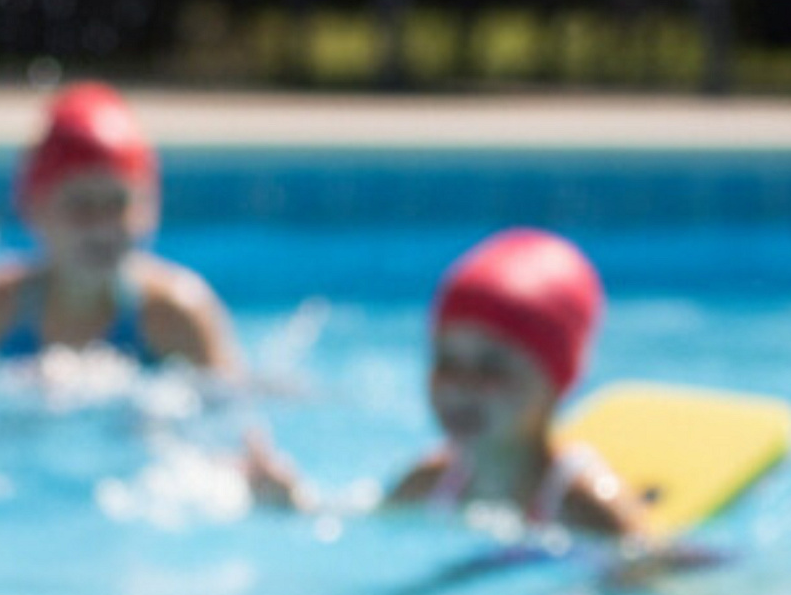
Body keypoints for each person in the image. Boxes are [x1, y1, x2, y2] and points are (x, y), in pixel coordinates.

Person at [245, 228, 648, 535]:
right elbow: (354, 526)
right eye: (447, 361)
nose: (461, 385)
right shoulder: (434, 482)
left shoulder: (582, 505)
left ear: (556, 381)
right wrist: (291, 503)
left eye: (491, 367)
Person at [0, 84, 238, 374]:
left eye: (118, 203)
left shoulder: (177, 314)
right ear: (36, 209)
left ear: (149, 209)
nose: (101, 226)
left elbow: (235, 405)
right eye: (81, 205)